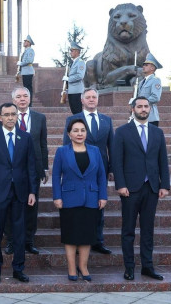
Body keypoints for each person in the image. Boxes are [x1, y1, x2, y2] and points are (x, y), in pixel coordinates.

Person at [111, 96, 171, 281]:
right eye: (140, 106)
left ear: (150, 109)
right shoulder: (122, 132)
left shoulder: (157, 133)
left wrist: (165, 185)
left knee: (148, 230)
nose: (143, 109)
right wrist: (120, 185)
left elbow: (163, 160)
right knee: (128, 230)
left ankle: (147, 267)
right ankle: (129, 267)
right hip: (130, 189)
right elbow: (116, 161)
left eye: (146, 106)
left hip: (151, 188)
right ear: (132, 109)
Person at [0, 102, 37, 283]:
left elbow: (31, 167)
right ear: (0, 117)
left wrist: (32, 191)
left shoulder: (26, 137)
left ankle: (18, 269)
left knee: (19, 233)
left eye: (13, 114)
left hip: (20, 192)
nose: (10, 117)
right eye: (6, 114)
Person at [52, 118, 108, 282]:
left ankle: (83, 267)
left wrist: (103, 195)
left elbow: (101, 176)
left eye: (82, 130)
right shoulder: (62, 151)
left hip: (91, 198)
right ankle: (71, 268)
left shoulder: (95, 151)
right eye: (75, 130)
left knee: (87, 236)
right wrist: (57, 196)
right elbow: (56, 176)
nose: (79, 133)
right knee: (71, 236)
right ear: (69, 134)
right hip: (69, 199)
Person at [63, 88, 114, 255]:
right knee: (79, 206)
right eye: (88, 97)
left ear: (97, 100)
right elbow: (66, 146)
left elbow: (111, 146)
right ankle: (78, 240)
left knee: (99, 204)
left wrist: (112, 168)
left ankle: (97, 240)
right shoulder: (73, 119)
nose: (91, 100)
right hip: (78, 168)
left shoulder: (107, 120)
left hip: (100, 170)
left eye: (94, 97)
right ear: (82, 100)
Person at [4, 86, 48, 255]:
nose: (22, 99)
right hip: (12, 168)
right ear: (13, 100)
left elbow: (43, 144)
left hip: (33, 169)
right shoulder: (6, 117)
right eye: (18, 97)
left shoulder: (39, 118)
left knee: (31, 205)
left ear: (29, 99)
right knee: (9, 205)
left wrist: (44, 167)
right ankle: (11, 240)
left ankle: (29, 240)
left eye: (25, 96)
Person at [138, 53, 163, 125]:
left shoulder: (155, 80)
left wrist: (141, 103)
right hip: (141, 116)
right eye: (143, 65)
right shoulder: (141, 82)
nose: (143, 67)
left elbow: (155, 97)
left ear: (152, 68)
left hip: (151, 117)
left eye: (146, 65)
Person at [64, 42, 86, 114]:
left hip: (77, 92)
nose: (70, 52)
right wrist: (65, 89)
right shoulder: (74, 62)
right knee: (74, 113)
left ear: (77, 51)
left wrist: (68, 79)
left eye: (72, 50)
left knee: (77, 113)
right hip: (72, 92)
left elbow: (80, 76)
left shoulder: (80, 62)